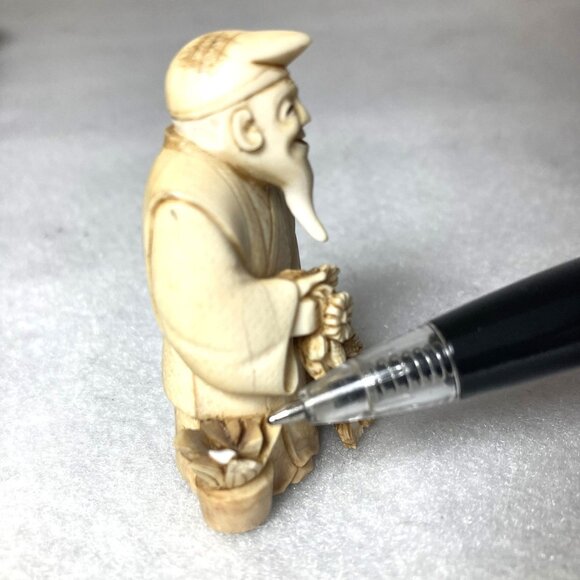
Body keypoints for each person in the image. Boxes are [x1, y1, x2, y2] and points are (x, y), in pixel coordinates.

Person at [143, 30, 330, 532]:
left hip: (269, 362)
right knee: (238, 465)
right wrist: (296, 308)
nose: (304, 117)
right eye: (287, 109)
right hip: (224, 385)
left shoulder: (244, 166)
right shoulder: (187, 204)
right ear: (246, 128)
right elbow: (209, 314)